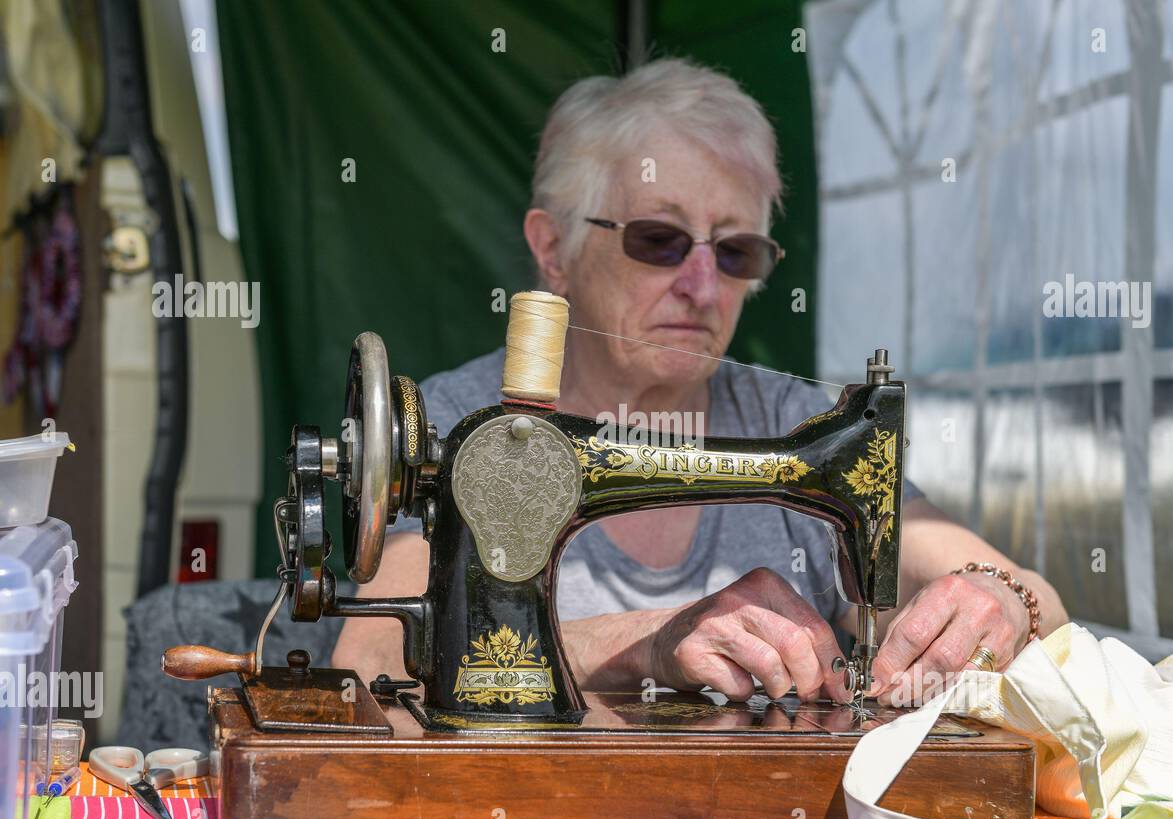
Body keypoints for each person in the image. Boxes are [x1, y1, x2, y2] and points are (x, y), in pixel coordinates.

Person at [333, 58, 1067, 706]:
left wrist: (998, 602)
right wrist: (656, 642)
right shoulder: (458, 424)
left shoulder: (788, 421)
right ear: (553, 248)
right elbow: (370, 661)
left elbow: (1045, 603)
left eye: (737, 250)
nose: (702, 284)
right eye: (660, 239)